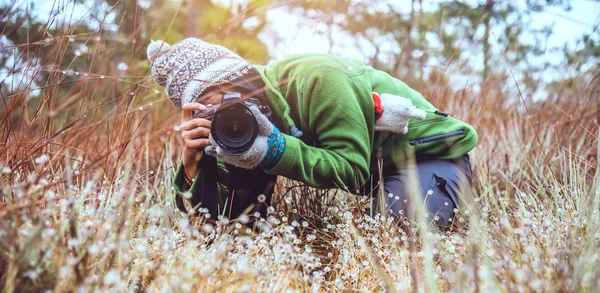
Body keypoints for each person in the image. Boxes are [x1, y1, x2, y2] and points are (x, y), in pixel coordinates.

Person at [147, 38, 477, 230]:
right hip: (372, 170)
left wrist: (273, 151)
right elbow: (224, 222)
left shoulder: (319, 79)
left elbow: (351, 170)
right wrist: (192, 166)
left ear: (243, 80)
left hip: (427, 155)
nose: (223, 112)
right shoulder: (232, 129)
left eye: (218, 98)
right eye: (202, 108)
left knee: (399, 233)